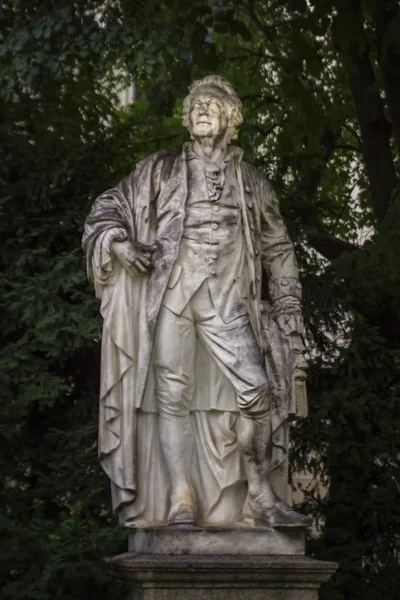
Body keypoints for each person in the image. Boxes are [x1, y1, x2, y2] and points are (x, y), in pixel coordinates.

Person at [83, 75, 311, 529]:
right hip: (172, 295)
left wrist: (287, 305)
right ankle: (180, 498)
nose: (201, 110)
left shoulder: (251, 181)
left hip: (228, 300)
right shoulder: (160, 170)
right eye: (195, 106)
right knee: (173, 396)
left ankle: (261, 494)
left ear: (232, 117)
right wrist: (117, 243)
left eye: (212, 104)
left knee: (258, 389)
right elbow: (107, 206)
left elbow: (278, 246)